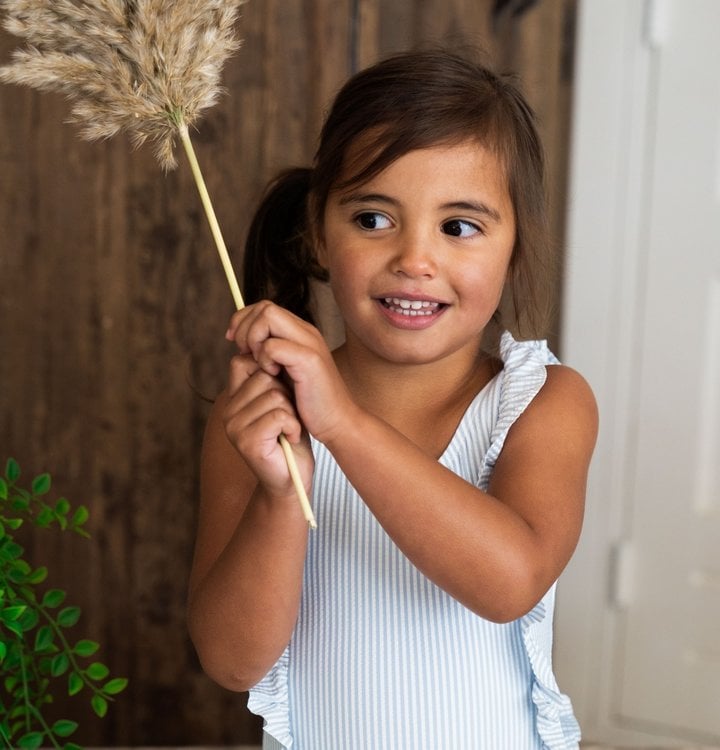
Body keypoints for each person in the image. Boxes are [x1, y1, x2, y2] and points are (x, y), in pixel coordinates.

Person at [187, 48, 598, 750]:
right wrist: (280, 497)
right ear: (319, 231)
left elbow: (510, 582)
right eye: (374, 218)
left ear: (514, 247)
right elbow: (231, 662)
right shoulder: (262, 423)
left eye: (459, 227)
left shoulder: (541, 402)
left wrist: (342, 424)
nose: (415, 259)